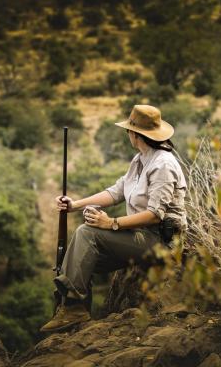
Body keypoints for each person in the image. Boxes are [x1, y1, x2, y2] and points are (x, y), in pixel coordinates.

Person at [41, 104, 187, 333]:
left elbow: (154, 214)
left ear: (136, 134)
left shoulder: (163, 165)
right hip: (139, 238)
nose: (128, 133)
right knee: (79, 259)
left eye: (129, 130)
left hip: (160, 242)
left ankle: (73, 309)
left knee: (86, 233)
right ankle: (74, 316)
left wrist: (112, 223)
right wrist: (75, 205)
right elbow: (116, 191)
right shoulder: (140, 160)